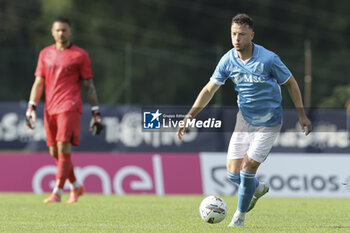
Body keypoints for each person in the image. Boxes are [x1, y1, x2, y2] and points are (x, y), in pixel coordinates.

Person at [177, 13, 312, 227]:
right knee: (232, 175)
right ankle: (256, 189)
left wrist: (301, 114)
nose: (236, 38)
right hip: (244, 121)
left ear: (251, 35)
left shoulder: (268, 59)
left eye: (241, 34)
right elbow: (209, 89)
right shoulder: (228, 60)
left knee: (247, 169)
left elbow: (291, 83)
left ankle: (238, 219)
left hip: (269, 122)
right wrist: (189, 116)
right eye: (233, 34)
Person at [26, 17, 103, 204]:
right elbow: (39, 82)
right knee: (55, 153)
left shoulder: (80, 55)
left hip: (69, 106)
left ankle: (57, 192)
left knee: (63, 147)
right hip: (49, 108)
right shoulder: (45, 54)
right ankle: (76, 186)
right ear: (52, 32)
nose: (61, 34)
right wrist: (31, 107)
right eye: (58, 30)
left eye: (64, 30)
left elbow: (89, 85)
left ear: (71, 32)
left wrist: (96, 112)